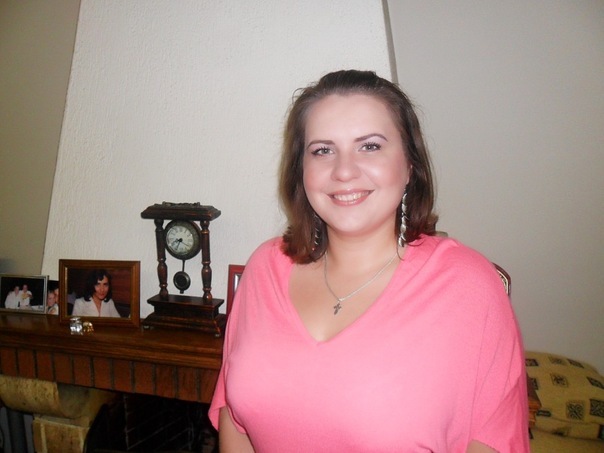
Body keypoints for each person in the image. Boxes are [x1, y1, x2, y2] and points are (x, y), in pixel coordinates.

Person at [209, 70, 529, 452]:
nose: (344, 171)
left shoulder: (469, 286)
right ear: (301, 170)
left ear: (410, 166)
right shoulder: (264, 267)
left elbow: (490, 438)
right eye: (322, 150)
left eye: (370, 146)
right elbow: (234, 417)